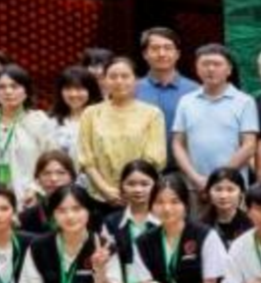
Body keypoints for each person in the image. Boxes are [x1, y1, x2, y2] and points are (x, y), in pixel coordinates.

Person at [171, 43, 261, 191]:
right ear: (197, 68)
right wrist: (195, 177)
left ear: (229, 69)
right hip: (195, 186)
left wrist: (219, 178)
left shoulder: (245, 101)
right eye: (205, 64)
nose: (211, 69)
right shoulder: (186, 101)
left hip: (232, 186)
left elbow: (249, 146)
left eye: (217, 64)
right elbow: (177, 144)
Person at [78, 58, 167, 205]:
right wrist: (105, 189)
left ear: (136, 80)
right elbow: (87, 159)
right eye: (113, 77)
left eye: (125, 76)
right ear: (104, 81)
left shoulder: (152, 114)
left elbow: (153, 158)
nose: (119, 81)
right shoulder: (91, 114)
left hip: (141, 195)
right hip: (99, 196)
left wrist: (131, 189)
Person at [0, 64, 57, 206]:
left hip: (30, 197)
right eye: (1, 87)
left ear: (26, 90)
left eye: (14, 86)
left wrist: (35, 189)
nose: (8, 91)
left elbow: (52, 160)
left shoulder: (39, 121)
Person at [134, 27, 199, 147]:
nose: (162, 54)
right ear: (145, 54)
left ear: (177, 54)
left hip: (183, 158)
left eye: (168, 48)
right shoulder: (132, 89)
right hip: (141, 158)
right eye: (155, 48)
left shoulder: (194, 90)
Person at [18, 152, 86, 235]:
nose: (54, 179)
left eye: (61, 173)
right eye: (46, 173)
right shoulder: (25, 218)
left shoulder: (89, 211)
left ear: (72, 177)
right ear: (37, 179)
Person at [49, 66, 101, 158]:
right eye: (68, 89)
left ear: (91, 91)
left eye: (79, 89)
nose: (73, 94)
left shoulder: (102, 119)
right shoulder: (51, 121)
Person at [204, 168, 253, 247]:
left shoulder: (251, 225)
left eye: (230, 190)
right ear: (208, 193)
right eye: (218, 189)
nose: (223, 196)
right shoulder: (200, 227)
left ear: (241, 193)